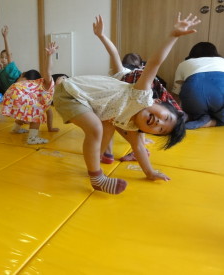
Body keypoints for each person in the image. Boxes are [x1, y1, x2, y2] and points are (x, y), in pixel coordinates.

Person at [53, 12, 200, 195]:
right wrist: (173, 36)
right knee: (98, 127)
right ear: (157, 102)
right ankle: (97, 178)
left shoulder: (133, 125)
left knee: (106, 124)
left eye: (161, 130)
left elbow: (139, 147)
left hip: (84, 100)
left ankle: (97, 159)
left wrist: (150, 172)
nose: (159, 123)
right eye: (165, 118)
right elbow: (154, 63)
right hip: (69, 92)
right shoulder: (140, 95)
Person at [93, 14, 182, 163]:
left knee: (116, 120)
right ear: (139, 65)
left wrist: (101, 36)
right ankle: (124, 149)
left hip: (145, 95)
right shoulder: (132, 77)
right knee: (127, 121)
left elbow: (114, 53)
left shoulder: (121, 74)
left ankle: (108, 152)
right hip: (149, 95)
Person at [2, 43, 60, 144]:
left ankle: (16, 128)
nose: (63, 79)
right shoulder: (48, 84)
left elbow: (49, 112)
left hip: (13, 90)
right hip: (19, 92)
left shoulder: (42, 92)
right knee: (37, 113)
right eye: (62, 78)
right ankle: (32, 138)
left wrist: (50, 128)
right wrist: (49, 56)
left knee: (27, 110)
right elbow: (48, 71)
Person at [172, 42, 224, 129]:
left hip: (194, 97)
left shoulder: (184, 64)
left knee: (193, 113)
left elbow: (176, 93)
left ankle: (200, 117)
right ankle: (213, 122)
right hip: (220, 96)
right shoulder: (222, 61)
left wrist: (175, 113)